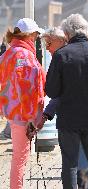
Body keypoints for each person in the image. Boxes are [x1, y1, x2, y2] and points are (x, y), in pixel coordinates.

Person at [45, 14, 88, 189]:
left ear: (67, 34)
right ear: (86, 30)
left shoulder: (61, 55)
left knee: (70, 164)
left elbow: (52, 90)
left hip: (69, 120)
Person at [0, 18, 45, 189]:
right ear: (27, 35)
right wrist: (31, 119)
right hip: (23, 115)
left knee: (19, 156)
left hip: (12, 111)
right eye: (35, 34)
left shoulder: (8, 53)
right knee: (20, 157)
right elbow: (25, 90)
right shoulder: (24, 56)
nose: (36, 38)